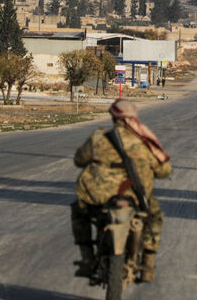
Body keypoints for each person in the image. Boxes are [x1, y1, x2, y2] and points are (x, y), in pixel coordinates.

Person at [71, 98, 171, 282]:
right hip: (136, 198)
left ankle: (87, 257)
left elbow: (79, 160)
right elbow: (164, 170)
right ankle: (148, 265)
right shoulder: (144, 142)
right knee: (154, 216)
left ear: (113, 117)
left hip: (97, 197)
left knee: (79, 212)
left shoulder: (98, 139)